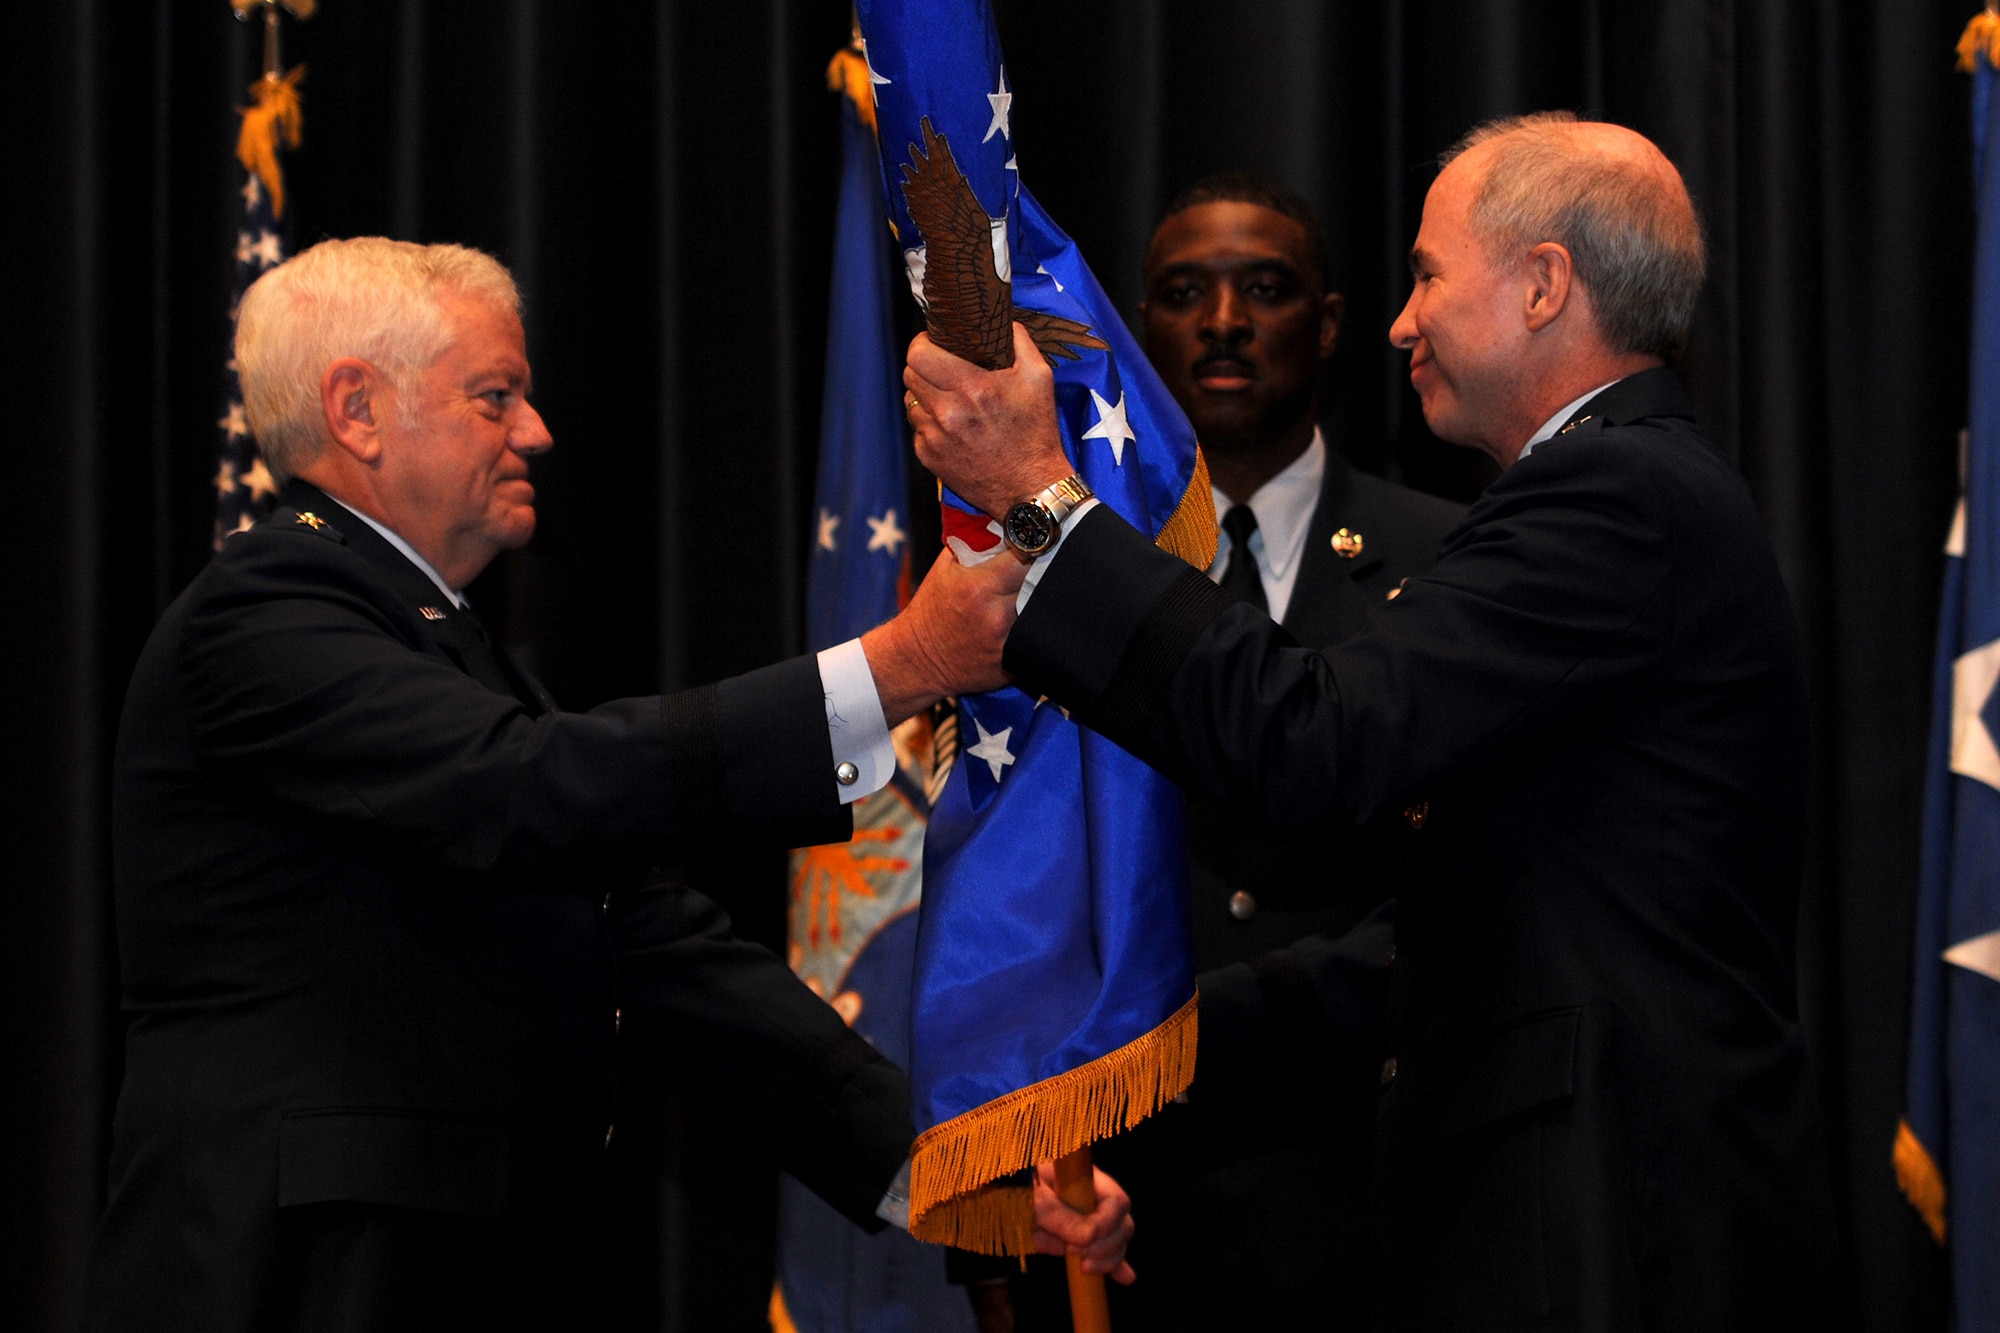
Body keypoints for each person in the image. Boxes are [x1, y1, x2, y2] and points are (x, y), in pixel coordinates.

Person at [81, 237, 1120, 1333]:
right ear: (357, 409)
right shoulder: (263, 612)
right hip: (299, 1283)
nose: (537, 431)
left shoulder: (437, 643)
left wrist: (950, 1164)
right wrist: (900, 666)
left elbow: (647, 943)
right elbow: (529, 790)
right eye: (496, 397)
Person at [903, 114, 1840, 1329]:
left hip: (1612, 1231)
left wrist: (1040, 500)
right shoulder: (1627, 491)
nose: (1400, 321)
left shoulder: (1613, 496)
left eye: (1427, 275)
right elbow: (1433, 949)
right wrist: (1093, 1078)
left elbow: (1310, 741)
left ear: (1543, 286)